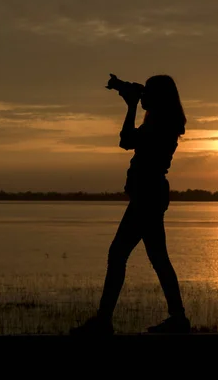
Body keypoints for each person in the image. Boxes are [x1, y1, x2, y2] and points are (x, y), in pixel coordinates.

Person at [71, 75, 190, 335]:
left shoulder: (160, 123)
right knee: (157, 258)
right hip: (150, 195)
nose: (143, 96)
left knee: (119, 255)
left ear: (157, 98)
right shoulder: (163, 120)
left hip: (148, 196)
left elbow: (126, 140)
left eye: (148, 93)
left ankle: (104, 321)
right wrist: (129, 95)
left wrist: (131, 105)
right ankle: (178, 318)